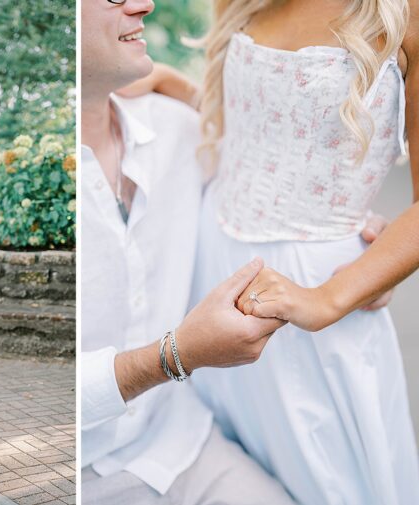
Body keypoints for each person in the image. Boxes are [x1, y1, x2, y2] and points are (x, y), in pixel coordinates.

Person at [127, 1, 419, 502]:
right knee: (231, 468)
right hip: (211, 274)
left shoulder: (404, 13)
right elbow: (266, 122)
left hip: (313, 299)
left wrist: (328, 299)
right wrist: (175, 83)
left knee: (331, 482)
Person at [82, 1, 307, 503]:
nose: (144, 3)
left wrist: (353, 252)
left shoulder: (177, 130)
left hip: (185, 445)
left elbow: (280, 193)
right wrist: (176, 355)